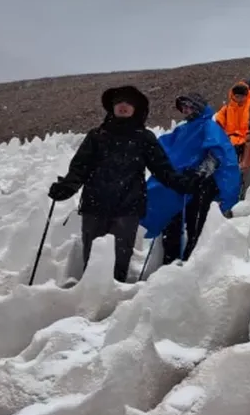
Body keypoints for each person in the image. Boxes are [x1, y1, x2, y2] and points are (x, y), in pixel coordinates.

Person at [47, 86, 197, 283]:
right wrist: (67, 187)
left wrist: (182, 183)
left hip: (128, 207)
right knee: (93, 257)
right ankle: (89, 295)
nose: (123, 106)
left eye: (128, 102)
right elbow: (80, 167)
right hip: (95, 205)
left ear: (136, 108)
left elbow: (162, 170)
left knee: (121, 256)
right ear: (112, 107)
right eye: (119, 102)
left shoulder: (144, 138)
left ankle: (113, 298)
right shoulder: (96, 136)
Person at [141, 93, 241, 265]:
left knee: (196, 225)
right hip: (180, 184)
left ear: (198, 107)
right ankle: (170, 261)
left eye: (189, 106)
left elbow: (216, 155)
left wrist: (198, 174)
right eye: (184, 107)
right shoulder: (182, 129)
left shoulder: (209, 126)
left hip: (202, 185)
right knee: (172, 222)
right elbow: (168, 152)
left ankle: (192, 263)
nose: (186, 110)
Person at [215, 82, 250, 159]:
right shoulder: (226, 109)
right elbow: (218, 123)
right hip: (230, 140)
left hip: (248, 140)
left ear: (246, 96)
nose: (239, 99)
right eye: (237, 96)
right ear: (233, 96)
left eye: (242, 96)